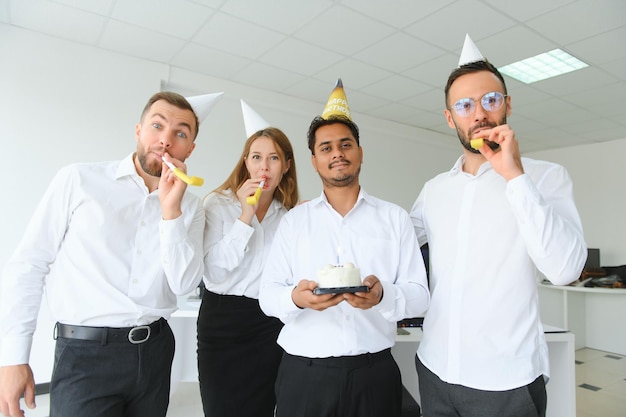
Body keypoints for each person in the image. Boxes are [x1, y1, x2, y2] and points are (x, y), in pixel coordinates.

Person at [0, 90, 222, 417]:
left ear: (190, 148)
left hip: (154, 353)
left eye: (180, 133)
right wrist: (14, 357)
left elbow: (183, 284)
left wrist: (170, 211)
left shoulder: (190, 206)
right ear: (138, 130)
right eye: (157, 126)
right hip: (84, 355)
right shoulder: (78, 180)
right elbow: (29, 265)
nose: (165, 141)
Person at [409, 34, 587, 417]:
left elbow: (565, 270)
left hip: (506, 382)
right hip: (436, 369)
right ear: (449, 117)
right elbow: (396, 243)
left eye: (490, 100)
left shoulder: (544, 177)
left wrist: (515, 177)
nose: (479, 114)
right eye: (464, 105)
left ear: (507, 105)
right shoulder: (435, 190)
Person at [259, 79, 430, 417]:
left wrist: (382, 296)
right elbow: (267, 295)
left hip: (374, 374)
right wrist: (297, 298)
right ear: (314, 160)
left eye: (345, 144)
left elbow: (420, 296)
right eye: (326, 147)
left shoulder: (394, 218)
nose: (337, 153)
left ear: (360, 152)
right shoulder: (294, 222)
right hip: (304, 374)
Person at [197, 100, 299, 417]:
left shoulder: (290, 217)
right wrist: (246, 215)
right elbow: (213, 269)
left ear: (286, 165)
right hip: (221, 323)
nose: (264, 167)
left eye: (273, 158)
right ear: (246, 162)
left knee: (261, 408)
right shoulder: (218, 204)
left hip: (267, 325)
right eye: (257, 157)